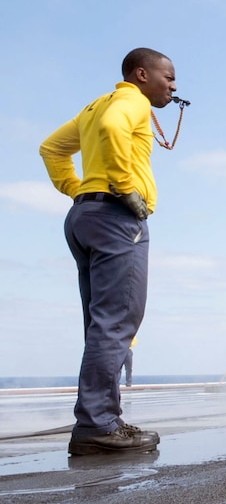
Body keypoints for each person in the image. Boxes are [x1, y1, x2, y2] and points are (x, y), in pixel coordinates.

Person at [40, 47, 177, 455]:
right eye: (168, 77)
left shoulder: (95, 106)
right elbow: (117, 127)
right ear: (140, 74)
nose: (172, 85)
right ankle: (97, 425)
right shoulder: (129, 102)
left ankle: (104, 419)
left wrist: (74, 188)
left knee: (102, 324)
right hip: (117, 217)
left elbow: (51, 148)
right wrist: (123, 185)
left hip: (85, 216)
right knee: (118, 322)